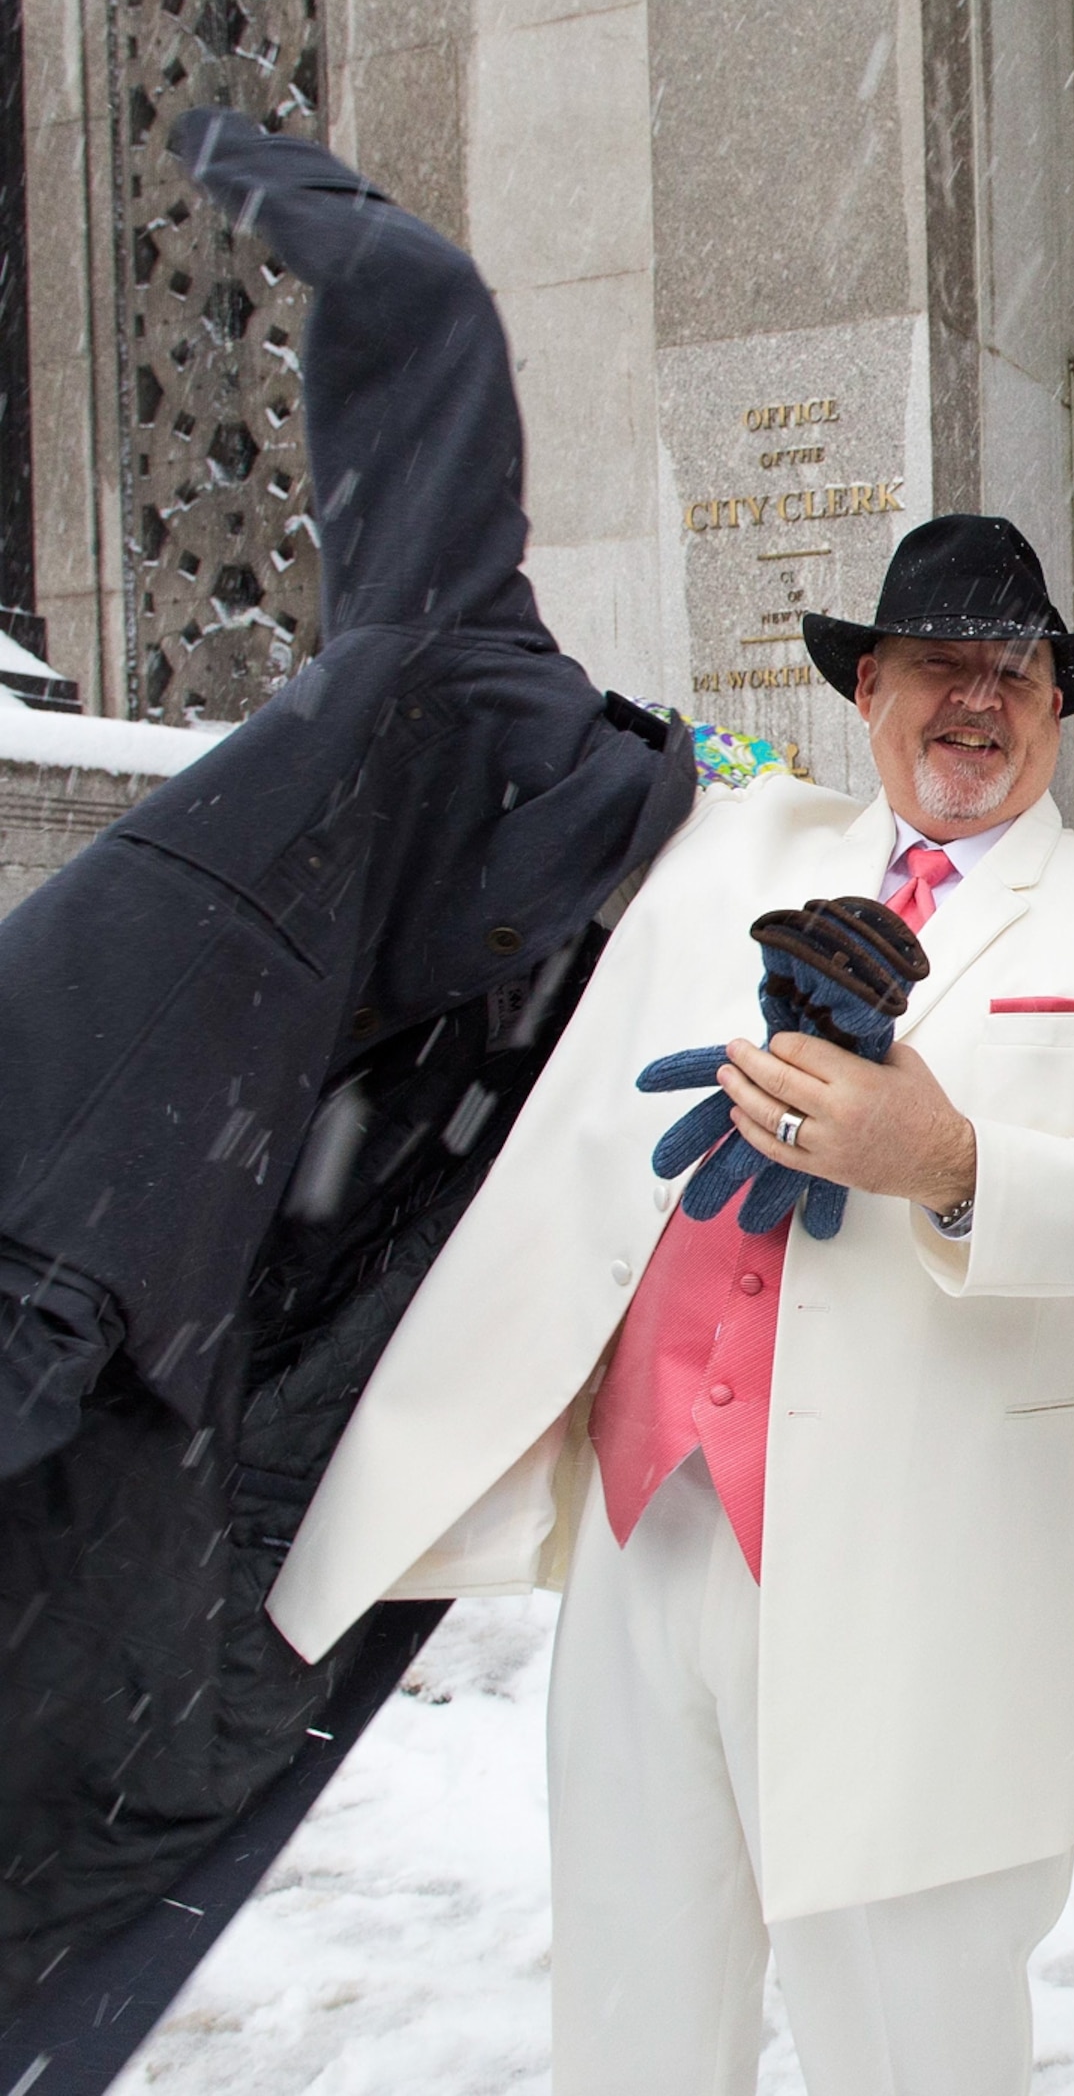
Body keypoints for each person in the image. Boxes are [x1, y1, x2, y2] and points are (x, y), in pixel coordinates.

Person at [260, 498, 1074, 2091]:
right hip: (651, 1526)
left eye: (1014, 671)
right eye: (936, 664)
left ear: (1061, 702)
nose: (976, 702)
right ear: (864, 691)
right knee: (633, 2025)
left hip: (923, 1577)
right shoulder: (737, 844)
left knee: (913, 2046)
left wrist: (952, 1158)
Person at [0, 113, 698, 2088]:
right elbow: (437, 497)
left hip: (244, 1388)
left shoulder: (668, 938)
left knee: (131, 1775)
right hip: (112, 1239)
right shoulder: (493, 720)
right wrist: (393, 268)